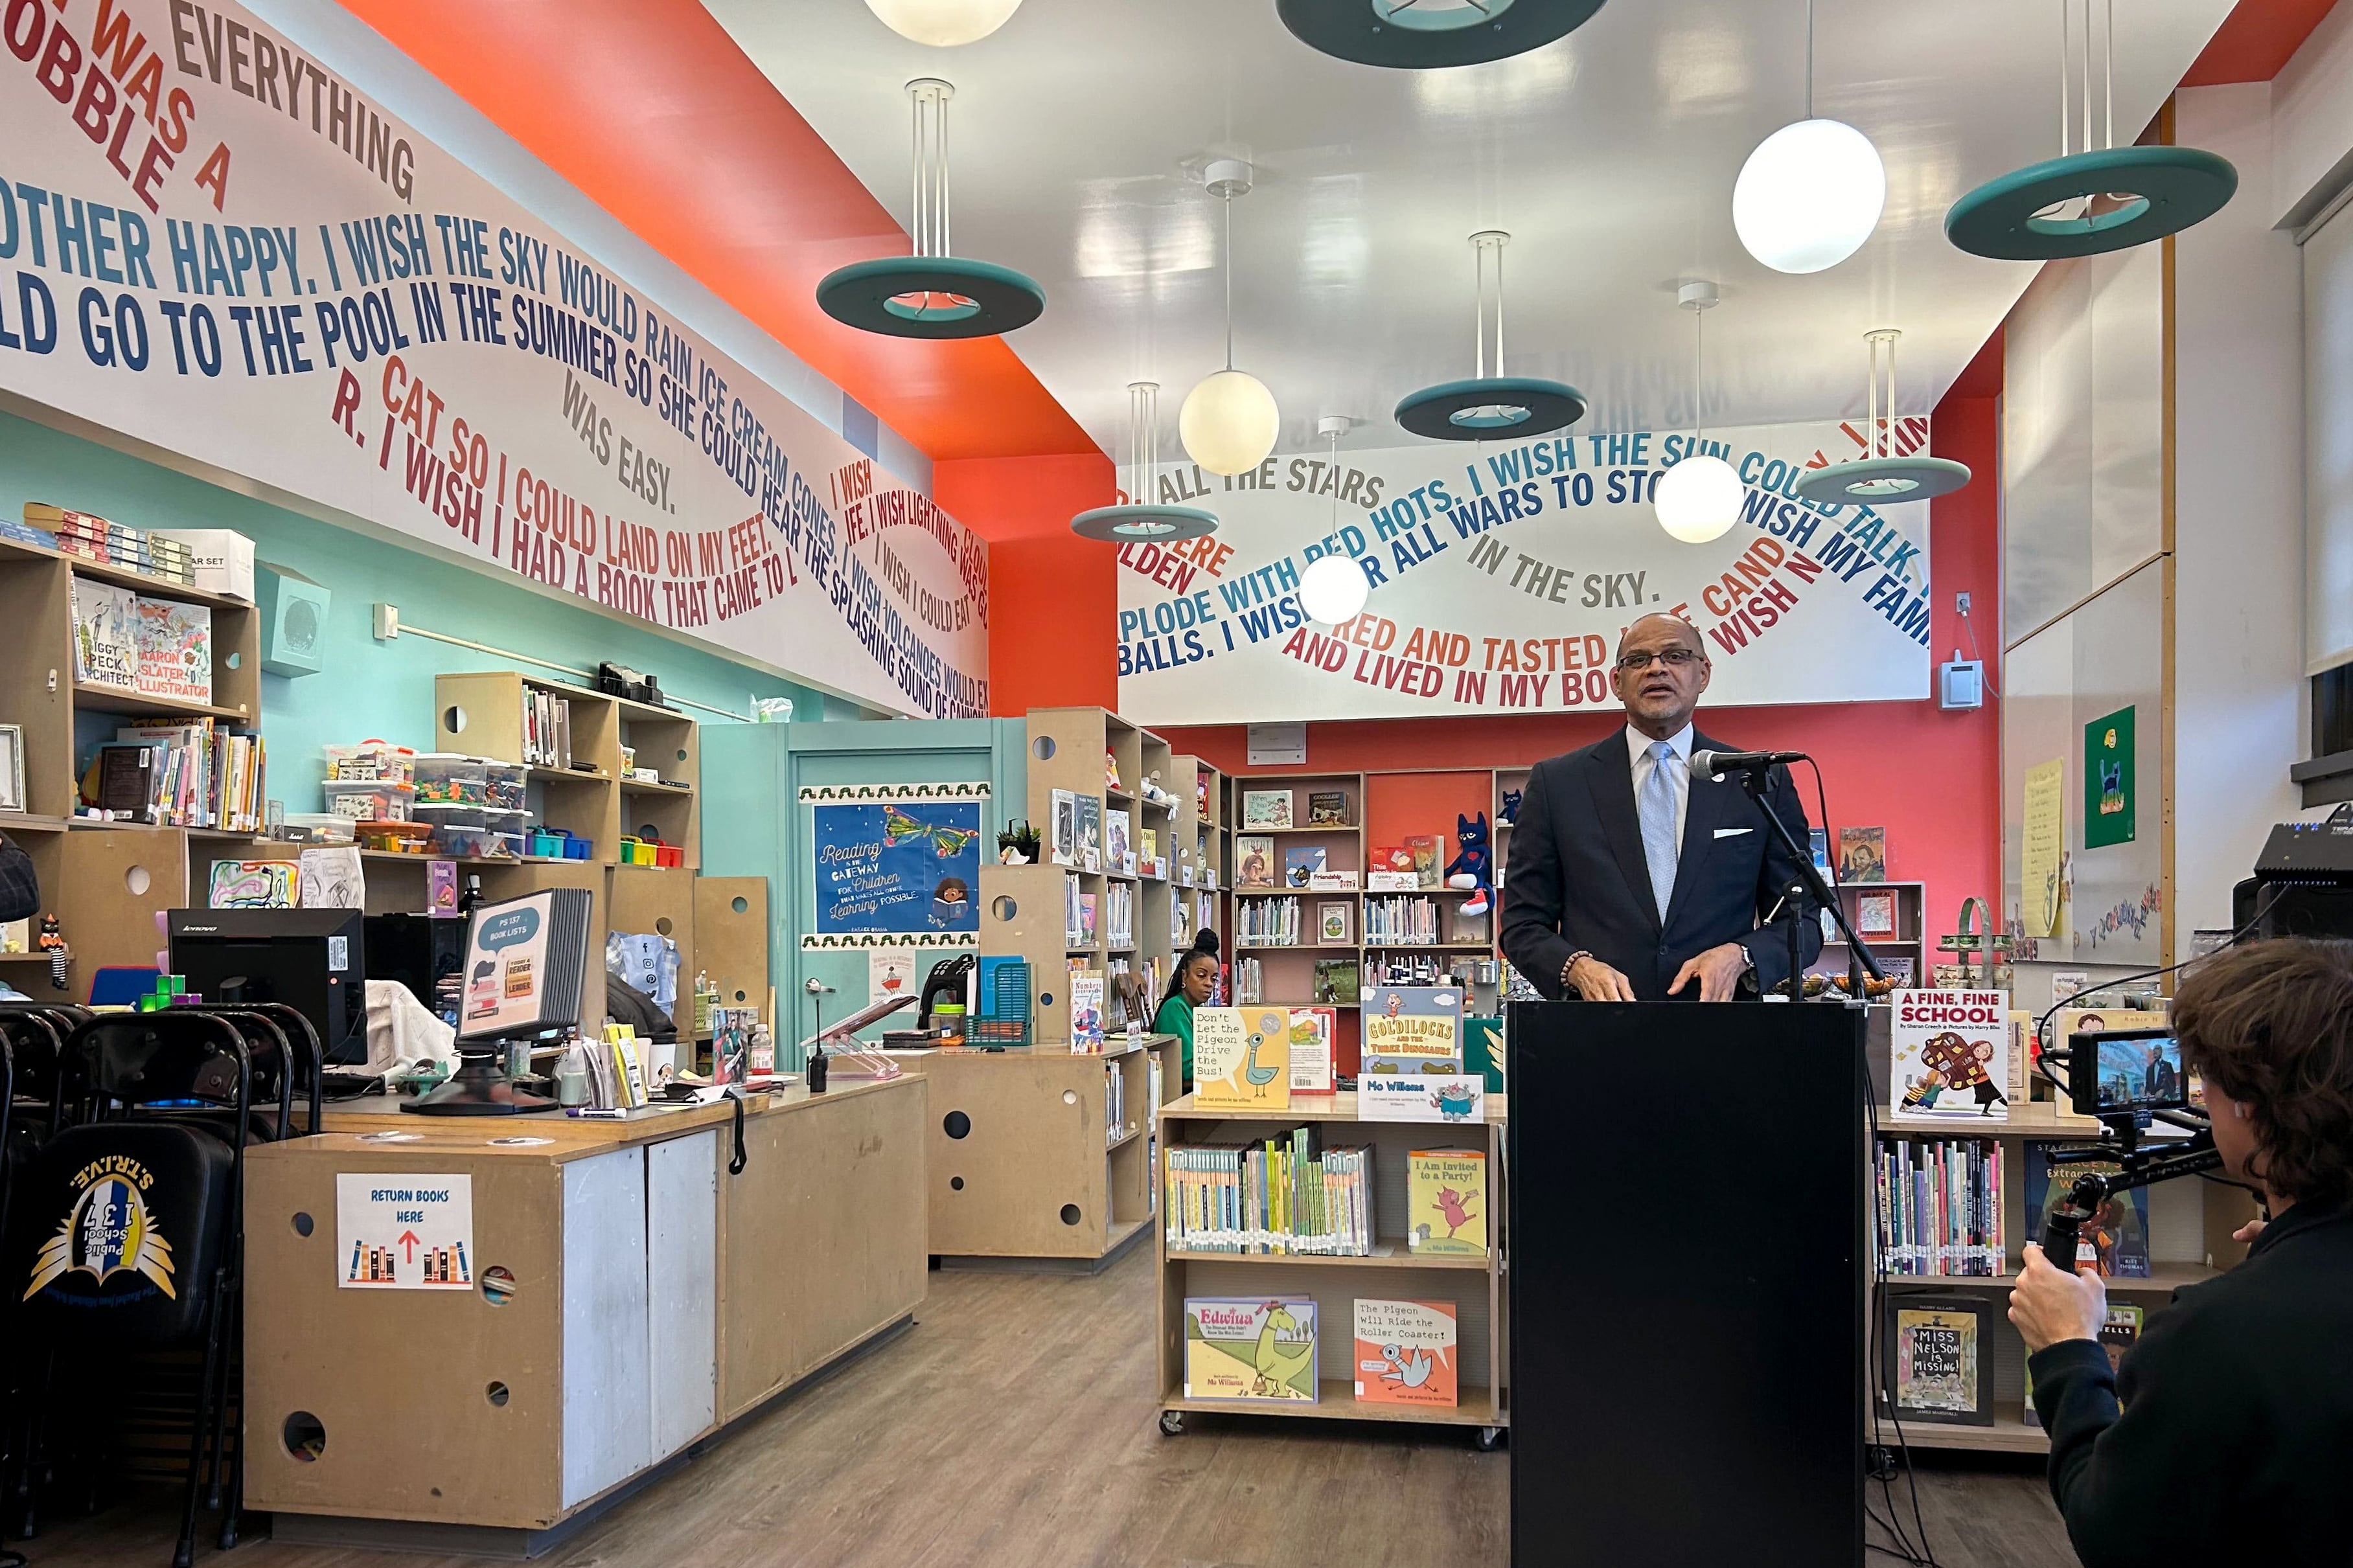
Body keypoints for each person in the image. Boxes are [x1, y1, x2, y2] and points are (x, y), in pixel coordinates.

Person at [2007, 938, 2353, 1567]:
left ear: (2247, 1105)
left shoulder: (2213, 1336)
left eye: (2207, 1085)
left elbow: (2111, 1531)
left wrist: (2064, 1351)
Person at [1498, 612, 1819, 1001]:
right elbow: (1523, 924)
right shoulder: (1558, 784)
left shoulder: (1758, 781)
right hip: (1597, 1034)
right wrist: (1575, 967)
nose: (1656, 669)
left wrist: (1743, 956)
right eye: (1638, 660)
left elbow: (1802, 921)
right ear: (1617, 682)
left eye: (1676, 656)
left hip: (1723, 1032)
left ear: (1703, 674)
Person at [1154, 931, 1221, 1085]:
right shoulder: (1175, 1008)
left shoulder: (1195, 1009)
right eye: (1201, 975)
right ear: (1185, 976)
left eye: (1214, 978)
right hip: (1181, 1094)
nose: (1209, 983)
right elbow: (1188, 1070)